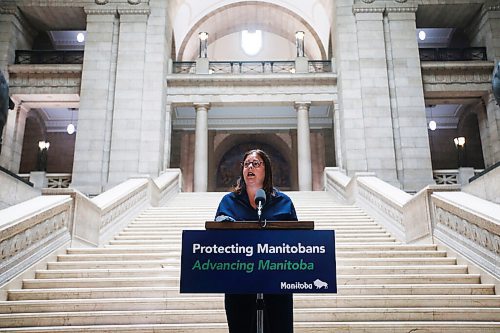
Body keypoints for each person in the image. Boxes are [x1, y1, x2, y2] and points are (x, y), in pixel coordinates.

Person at [214, 148, 297, 333]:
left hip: (277, 282)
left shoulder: (284, 202)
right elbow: (217, 243)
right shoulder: (229, 202)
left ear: (266, 170)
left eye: (256, 163)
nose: (250, 167)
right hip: (238, 281)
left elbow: (296, 243)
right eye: (246, 164)